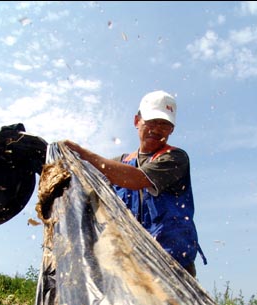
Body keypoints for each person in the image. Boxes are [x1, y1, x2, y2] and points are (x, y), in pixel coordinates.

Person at [64, 90, 207, 277]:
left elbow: (136, 179)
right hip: (129, 265)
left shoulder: (175, 158)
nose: (157, 129)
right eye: (151, 122)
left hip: (172, 264)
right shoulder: (118, 164)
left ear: (172, 129)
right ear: (136, 121)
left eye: (164, 124)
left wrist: (85, 154)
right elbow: (87, 190)